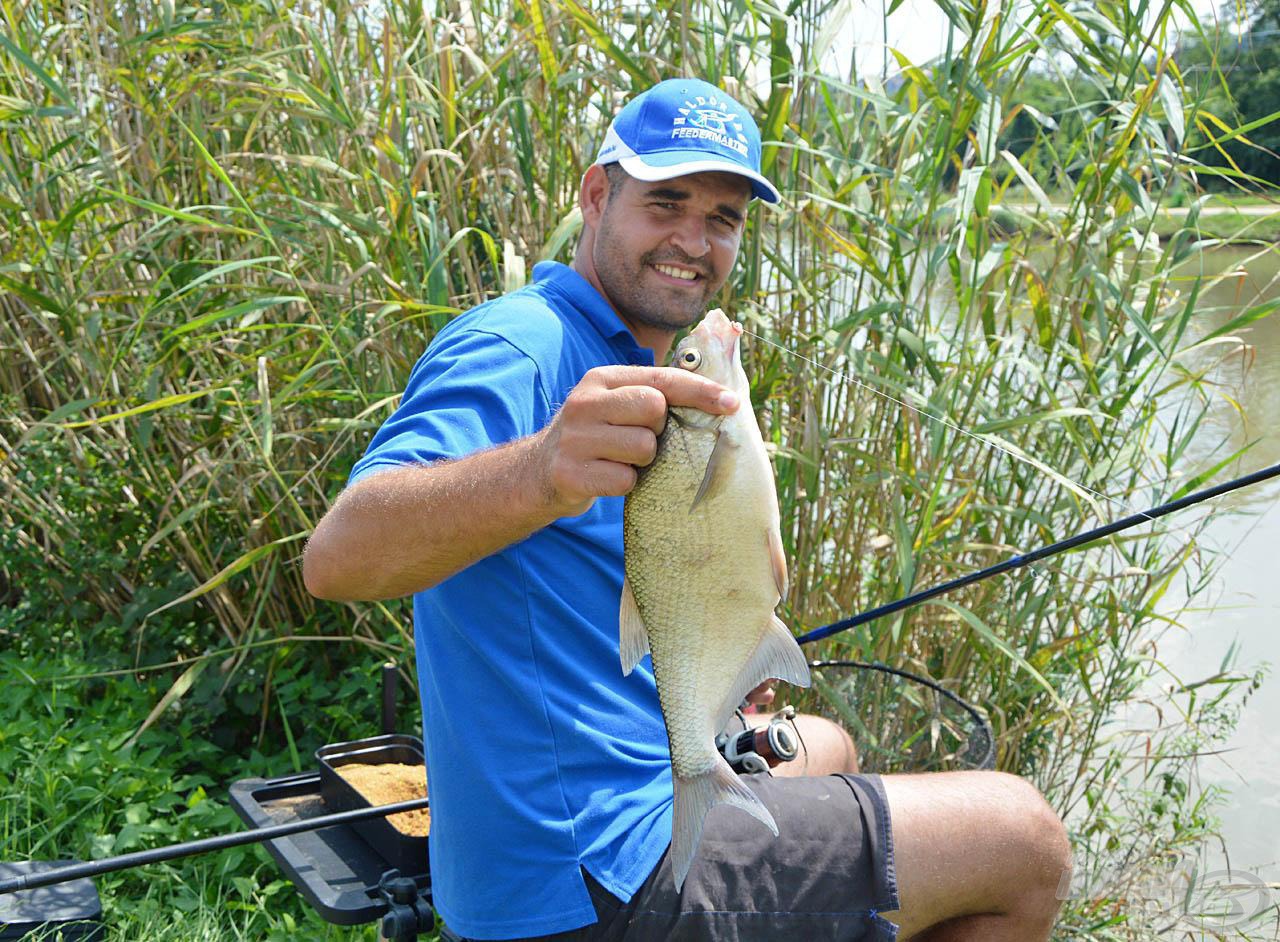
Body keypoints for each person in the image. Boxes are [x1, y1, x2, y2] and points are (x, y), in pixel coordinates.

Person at [303, 77, 1072, 941]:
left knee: (824, 744)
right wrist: (538, 472)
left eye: (724, 217)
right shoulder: (517, 345)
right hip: (584, 870)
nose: (693, 240)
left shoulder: (641, 359)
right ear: (598, 196)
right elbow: (337, 560)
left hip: (633, 784)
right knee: (1023, 839)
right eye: (666, 202)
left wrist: (724, 670)